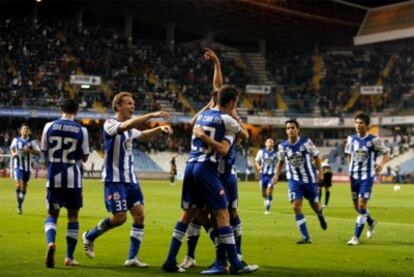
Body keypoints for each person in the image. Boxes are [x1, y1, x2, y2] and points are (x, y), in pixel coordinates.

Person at [162, 85, 258, 275]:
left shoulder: (202, 116)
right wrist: (206, 137)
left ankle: (170, 259)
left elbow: (194, 121)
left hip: (190, 166)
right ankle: (235, 263)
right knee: (223, 214)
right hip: (207, 168)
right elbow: (226, 147)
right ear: (232, 103)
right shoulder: (228, 120)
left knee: (188, 214)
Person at [82, 92, 172, 267]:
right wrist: (152, 115)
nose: (132, 106)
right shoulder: (110, 124)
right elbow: (124, 127)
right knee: (120, 218)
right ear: (118, 106)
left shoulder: (130, 128)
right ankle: (90, 235)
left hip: (131, 179)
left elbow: (143, 135)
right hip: (114, 180)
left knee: (139, 215)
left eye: (133, 103)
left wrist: (159, 129)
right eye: (129, 104)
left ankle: (132, 258)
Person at [180, 48, 248, 270]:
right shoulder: (215, 114)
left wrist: (238, 122)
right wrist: (217, 64)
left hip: (226, 172)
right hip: (210, 170)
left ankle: (234, 255)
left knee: (227, 213)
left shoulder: (230, 117)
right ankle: (212, 255)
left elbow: (245, 136)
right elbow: (217, 89)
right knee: (201, 213)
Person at [40, 99, 90, 268]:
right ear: (76, 111)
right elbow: (85, 157)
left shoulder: (48, 126)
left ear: (60, 109)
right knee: (73, 217)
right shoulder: (81, 129)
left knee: (52, 215)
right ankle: (69, 257)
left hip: (54, 178)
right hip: (73, 180)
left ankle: (51, 243)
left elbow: (44, 151)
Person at [272, 119, 327, 244]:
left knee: (316, 206)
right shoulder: (283, 146)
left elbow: (316, 157)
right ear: (286, 131)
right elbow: (281, 161)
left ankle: (320, 215)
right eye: (288, 128)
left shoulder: (306, 142)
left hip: (309, 179)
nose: (290, 130)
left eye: (292, 127)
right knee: (296, 206)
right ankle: (306, 236)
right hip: (294, 180)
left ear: (298, 129)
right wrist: (276, 175)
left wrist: (320, 173)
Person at [345, 112, 390, 245]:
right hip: (354, 177)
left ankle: (355, 237)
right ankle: (371, 222)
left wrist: (381, 164)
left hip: (367, 176)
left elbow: (386, 153)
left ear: (367, 125)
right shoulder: (351, 139)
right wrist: (349, 167)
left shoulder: (374, 140)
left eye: (361, 123)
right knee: (356, 206)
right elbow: (348, 154)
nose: (358, 125)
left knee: (362, 204)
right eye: (356, 122)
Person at [10, 123, 41, 214]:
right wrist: (13, 154)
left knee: (24, 187)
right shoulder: (16, 140)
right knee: (18, 185)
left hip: (27, 168)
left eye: (26, 129)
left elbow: (39, 153)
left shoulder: (32, 142)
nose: (25, 131)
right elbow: (11, 148)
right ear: (20, 131)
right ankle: (19, 207)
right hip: (18, 166)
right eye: (23, 129)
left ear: (29, 132)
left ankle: (20, 204)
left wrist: (30, 150)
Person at [255, 138, 277, 215]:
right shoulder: (261, 152)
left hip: (272, 175)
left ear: (273, 144)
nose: (270, 143)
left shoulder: (276, 153)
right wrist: (258, 167)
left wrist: (276, 174)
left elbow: (280, 163)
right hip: (263, 175)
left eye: (271, 142)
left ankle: (267, 209)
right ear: (265, 143)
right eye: (268, 142)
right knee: (263, 194)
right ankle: (267, 200)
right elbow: (256, 160)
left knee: (269, 191)